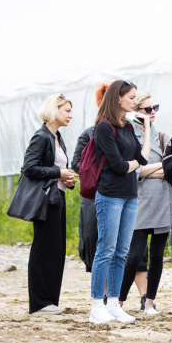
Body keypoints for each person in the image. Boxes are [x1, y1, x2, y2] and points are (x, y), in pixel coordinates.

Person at [89, 80, 151, 325]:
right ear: (118, 98)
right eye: (132, 97)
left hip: (129, 195)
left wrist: (145, 127)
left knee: (122, 252)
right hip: (110, 195)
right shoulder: (104, 127)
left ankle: (113, 305)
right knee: (106, 249)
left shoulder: (127, 126)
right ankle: (97, 306)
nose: (135, 101)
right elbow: (119, 166)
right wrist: (134, 165)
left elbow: (142, 158)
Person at [21, 93, 76, 315]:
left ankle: (50, 300)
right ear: (55, 111)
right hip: (44, 200)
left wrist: (66, 179)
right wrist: (58, 172)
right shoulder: (41, 137)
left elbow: (55, 170)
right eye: (67, 111)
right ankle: (39, 303)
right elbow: (29, 168)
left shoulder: (58, 137)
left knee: (55, 251)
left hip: (57, 198)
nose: (71, 115)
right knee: (42, 249)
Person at [117, 92, 171, 316]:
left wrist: (151, 170)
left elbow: (171, 166)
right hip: (139, 202)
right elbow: (134, 169)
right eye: (147, 109)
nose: (152, 112)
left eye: (154, 107)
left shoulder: (162, 136)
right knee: (134, 255)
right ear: (135, 110)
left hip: (162, 201)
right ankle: (117, 302)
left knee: (157, 255)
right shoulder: (127, 134)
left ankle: (149, 302)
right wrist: (155, 170)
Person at [72, 83, 108, 273]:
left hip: (118, 195)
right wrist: (99, 174)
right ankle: (100, 295)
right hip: (94, 195)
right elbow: (76, 163)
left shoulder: (127, 131)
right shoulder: (89, 134)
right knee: (94, 241)